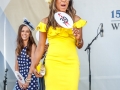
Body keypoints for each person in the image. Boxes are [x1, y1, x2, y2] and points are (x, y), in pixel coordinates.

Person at [26, 0, 87, 90]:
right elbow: (40, 47)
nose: (64, 0)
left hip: (71, 64)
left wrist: (79, 39)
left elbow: (80, 45)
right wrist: (33, 67)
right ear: (53, 1)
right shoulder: (46, 22)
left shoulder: (76, 20)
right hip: (52, 65)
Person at [14, 19, 38, 90]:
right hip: (20, 80)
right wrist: (19, 80)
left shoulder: (32, 46)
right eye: (23, 31)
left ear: (30, 34)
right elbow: (16, 67)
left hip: (30, 78)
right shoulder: (18, 48)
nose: (24, 33)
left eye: (27, 31)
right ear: (20, 32)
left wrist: (28, 80)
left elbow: (33, 64)